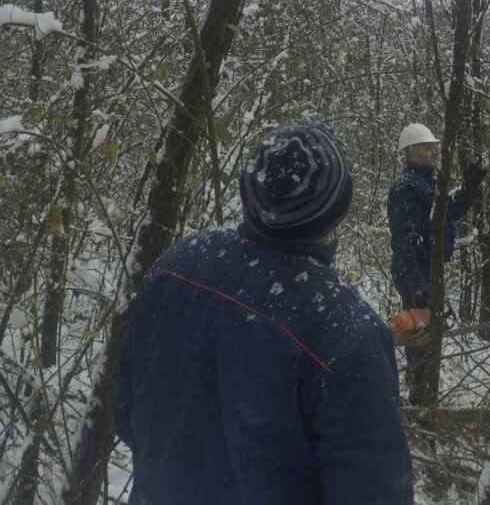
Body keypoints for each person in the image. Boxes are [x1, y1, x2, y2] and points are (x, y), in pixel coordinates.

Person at [116, 122, 413, 504]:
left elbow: (127, 414)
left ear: (250, 191)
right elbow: (375, 493)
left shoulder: (177, 265)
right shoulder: (347, 331)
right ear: (339, 206)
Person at [387, 123, 486, 406]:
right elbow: (403, 240)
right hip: (415, 272)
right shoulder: (405, 188)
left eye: (435, 147)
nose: (434, 151)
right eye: (427, 147)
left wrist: (469, 188)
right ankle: (420, 399)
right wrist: (415, 283)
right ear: (411, 152)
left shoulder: (428, 184)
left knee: (430, 337)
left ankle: (426, 398)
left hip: (430, 270)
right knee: (419, 338)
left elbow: (449, 210)